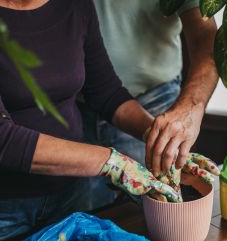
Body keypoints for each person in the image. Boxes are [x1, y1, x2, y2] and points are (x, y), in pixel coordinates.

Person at [0, 0, 218, 241]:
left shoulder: (74, 4)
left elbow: (107, 93)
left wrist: (160, 136)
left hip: (69, 197)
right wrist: (115, 163)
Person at [81, 0, 219, 209]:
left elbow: (205, 38)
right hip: (72, 109)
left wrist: (189, 108)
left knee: (159, 212)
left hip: (152, 104)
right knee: (81, 222)